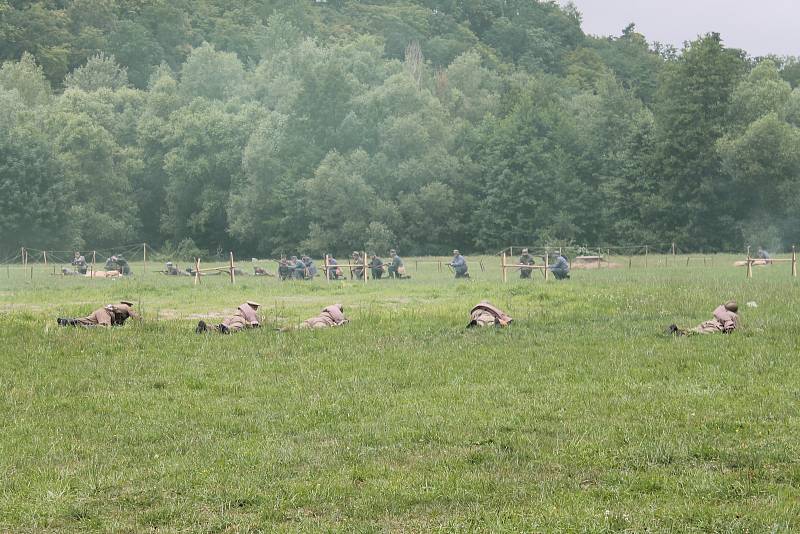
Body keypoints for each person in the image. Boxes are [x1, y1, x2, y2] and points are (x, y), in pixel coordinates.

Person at [668, 301, 740, 336]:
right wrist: (728, 332)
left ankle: (678, 329)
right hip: (716, 327)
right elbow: (729, 325)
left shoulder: (721, 311)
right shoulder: (730, 315)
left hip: (709, 322)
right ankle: (683, 334)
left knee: (696, 328)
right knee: (701, 332)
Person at [57, 301, 139, 327]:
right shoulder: (127, 307)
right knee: (105, 327)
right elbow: (137, 318)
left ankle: (66, 321)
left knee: (84, 320)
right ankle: (87, 327)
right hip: (106, 313)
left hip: (100, 311)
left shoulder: (120, 307)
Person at [196, 301, 261, 334]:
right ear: (254, 307)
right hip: (240, 319)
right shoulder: (252, 312)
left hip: (230, 317)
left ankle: (206, 327)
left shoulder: (242, 307)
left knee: (219, 326)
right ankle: (227, 330)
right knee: (236, 326)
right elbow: (254, 324)